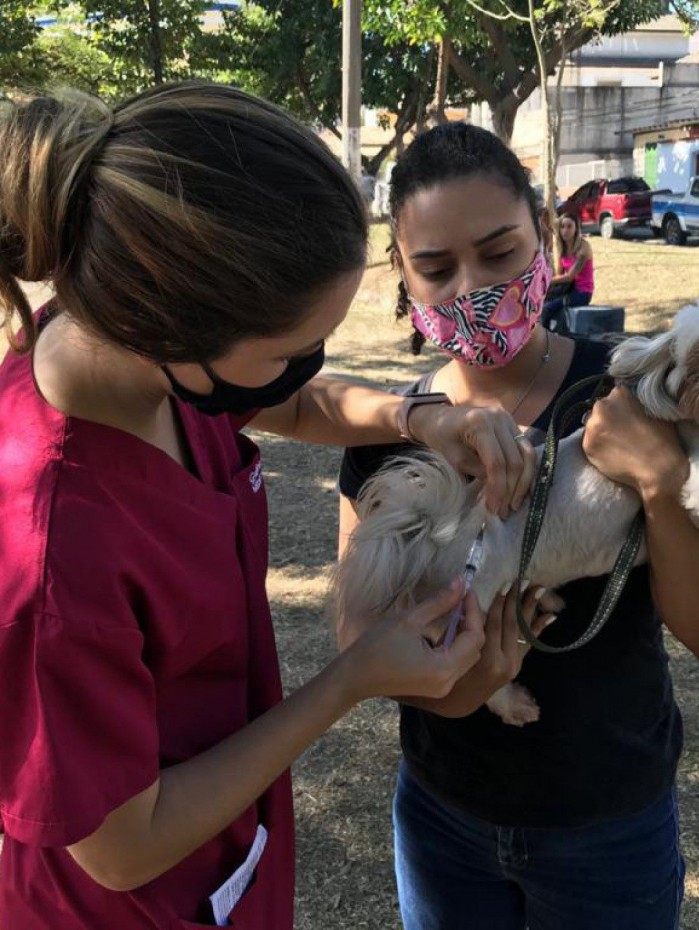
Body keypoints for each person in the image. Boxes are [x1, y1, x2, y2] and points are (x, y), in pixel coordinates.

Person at [0, 85, 544, 929]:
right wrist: (350, 682)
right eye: (292, 349)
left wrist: (421, 416)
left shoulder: (132, 349)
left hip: (229, 862)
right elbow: (120, 849)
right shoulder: (52, 546)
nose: (310, 365)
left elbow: (290, 403)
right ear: (174, 333)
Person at [338, 122, 698, 930]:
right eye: (435, 268)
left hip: (609, 820)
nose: (472, 287)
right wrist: (476, 680)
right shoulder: (384, 436)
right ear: (400, 273)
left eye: (500, 254)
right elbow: (361, 644)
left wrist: (658, 481)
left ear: (545, 229)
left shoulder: (630, 386)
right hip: (441, 817)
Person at [541, 211, 595, 331]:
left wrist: (547, 280)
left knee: (547, 309)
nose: (565, 230)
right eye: (562, 226)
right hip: (567, 290)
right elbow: (559, 275)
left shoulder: (584, 247)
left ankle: (545, 341)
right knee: (538, 304)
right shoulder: (562, 249)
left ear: (576, 228)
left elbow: (570, 276)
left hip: (582, 293)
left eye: (569, 226)